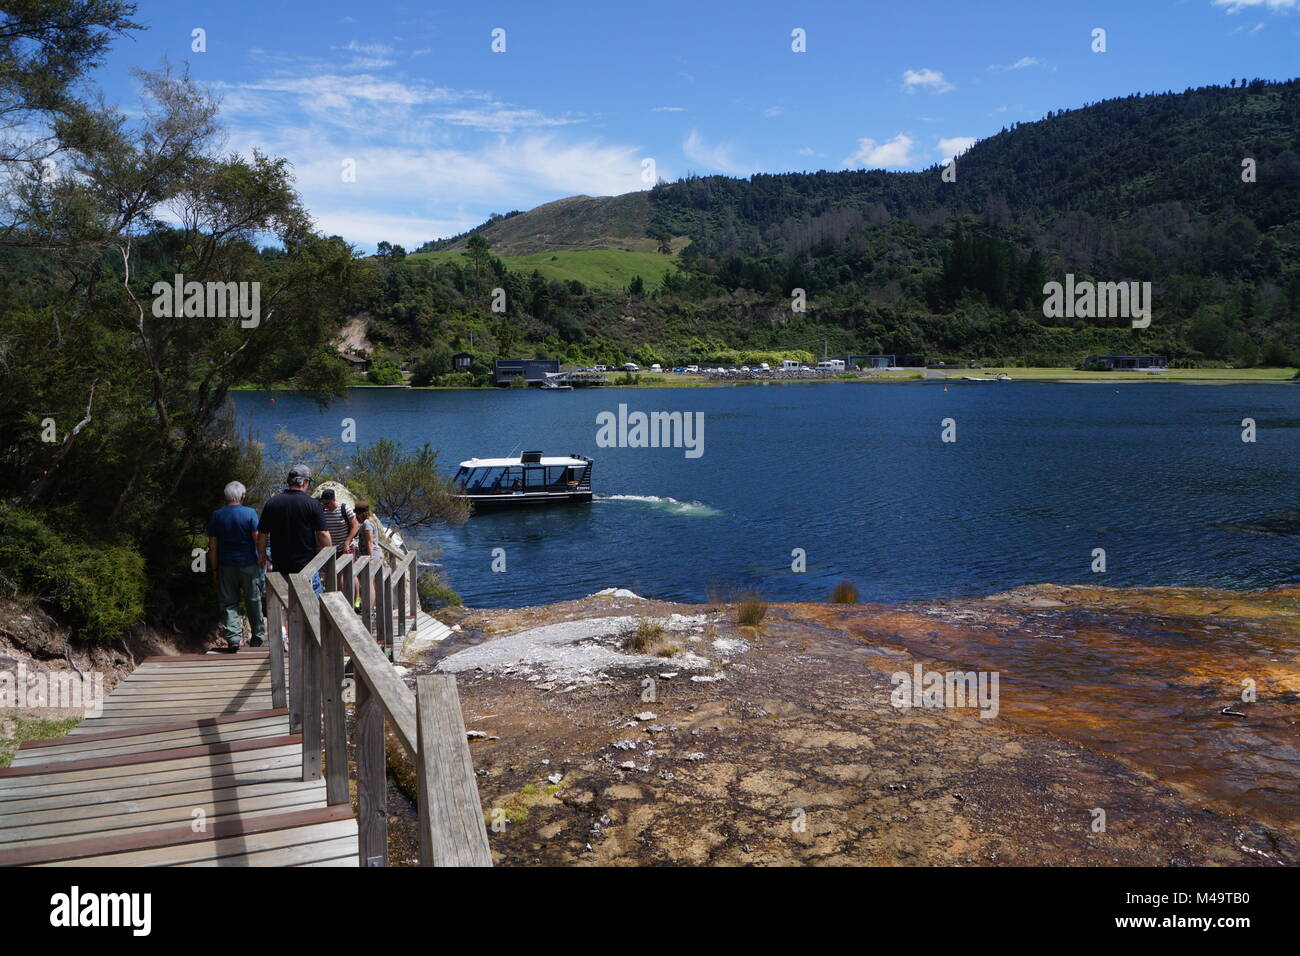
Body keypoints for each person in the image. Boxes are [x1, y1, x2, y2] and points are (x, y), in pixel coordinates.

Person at [207, 481, 265, 652]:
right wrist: (262, 556)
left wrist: (215, 569)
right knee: (253, 601)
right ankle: (257, 637)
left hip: (226, 565)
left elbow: (213, 546)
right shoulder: (250, 513)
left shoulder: (217, 516)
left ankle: (233, 638)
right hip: (248, 564)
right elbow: (257, 538)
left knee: (229, 602)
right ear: (242, 496)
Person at [256, 465, 330, 595]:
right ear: (305, 482)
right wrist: (329, 554)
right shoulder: (313, 504)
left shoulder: (272, 503)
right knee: (312, 608)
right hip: (307, 567)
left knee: (285, 607)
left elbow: (262, 534)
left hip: (280, 567)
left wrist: (261, 554)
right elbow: (323, 534)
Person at [320, 487, 358, 556]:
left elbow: (355, 526)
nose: (325, 505)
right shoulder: (322, 511)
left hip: (346, 548)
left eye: (327, 503)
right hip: (330, 550)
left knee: (348, 567)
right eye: (323, 502)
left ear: (334, 499)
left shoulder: (345, 509)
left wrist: (347, 542)